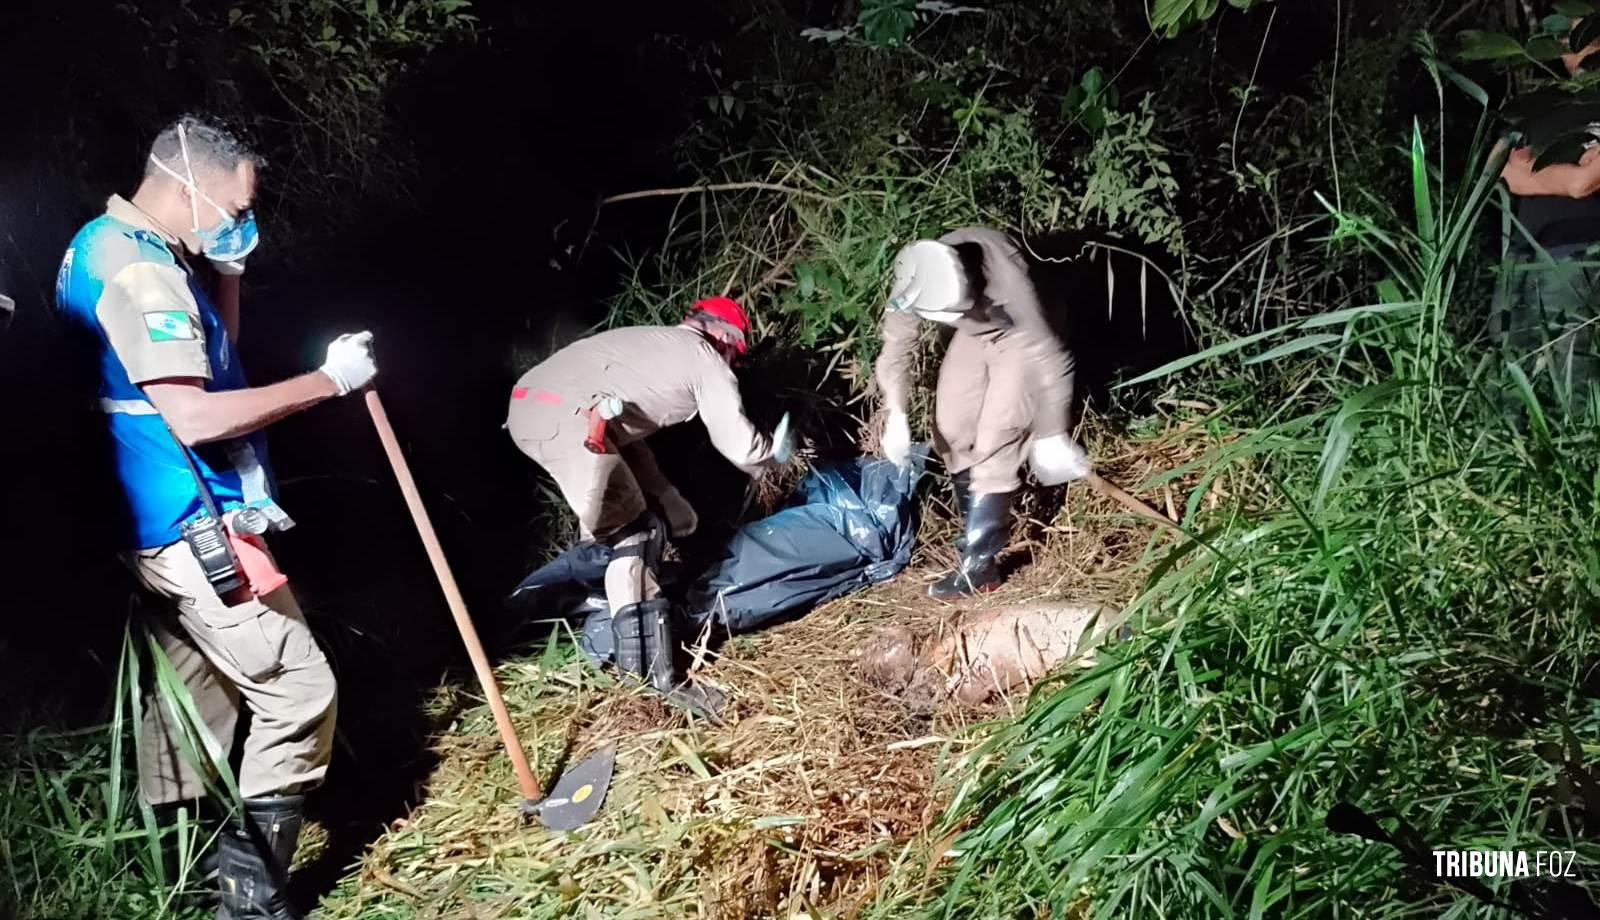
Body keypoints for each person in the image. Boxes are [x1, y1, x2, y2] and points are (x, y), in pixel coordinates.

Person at [55, 115, 378, 920]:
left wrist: (226, 274)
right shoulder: (141, 274)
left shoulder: (106, 243)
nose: (243, 221)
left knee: (196, 697)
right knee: (298, 690)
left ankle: (182, 867)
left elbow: (199, 360)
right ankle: (249, 898)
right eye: (235, 207)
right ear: (183, 181)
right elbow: (196, 417)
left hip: (136, 515)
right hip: (188, 519)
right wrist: (327, 382)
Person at [505, 296, 789, 714]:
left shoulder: (654, 348)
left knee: (624, 524)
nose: (733, 363)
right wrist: (779, 455)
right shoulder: (702, 357)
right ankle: (652, 681)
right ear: (723, 336)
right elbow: (741, 447)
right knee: (636, 535)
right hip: (565, 415)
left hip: (537, 405)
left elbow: (624, 444)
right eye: (736, 353)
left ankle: (564, 611)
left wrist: (668, 497)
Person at [873, 227, 1091, 598]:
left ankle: (979, 568)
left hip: (1023, 332)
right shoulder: (914, 280)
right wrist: (895, 413)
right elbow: (895, 351)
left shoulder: (1008, 277)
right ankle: (974, 523)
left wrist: (1053, 432)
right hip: (976, 332)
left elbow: (1050, 356)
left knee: (997, 434)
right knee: (951, 424)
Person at [1497, 30, 1600, 421]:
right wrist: (1569, 173)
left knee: (1575, 377)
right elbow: (1506, 170)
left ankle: (1581, 474)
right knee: (1511, 379)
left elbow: (1585, 184)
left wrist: (1538, 174)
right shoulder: (1540, 104)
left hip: (1581, 254)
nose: (1570, 40)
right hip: (1523, 255)